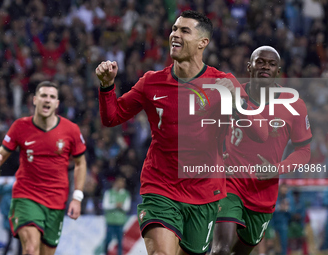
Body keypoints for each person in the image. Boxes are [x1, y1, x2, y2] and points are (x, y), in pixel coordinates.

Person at [96, 10, 268, 255]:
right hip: (160, 187)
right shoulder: (151, 82)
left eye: (184, 31)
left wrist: (235, 103)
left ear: (202, 43)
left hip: (204, 193)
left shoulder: (223, 83)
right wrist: (107, 86)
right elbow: (112, 117)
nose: (175, 34)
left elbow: (260, 134)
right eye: (174, 29)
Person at [211, 46, 312, 255]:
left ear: (278, 71)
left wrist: (277, 168)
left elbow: (304, 151)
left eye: (271, 64)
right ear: (249, 67)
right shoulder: (233, 94)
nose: (265, 66)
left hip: (263, 192)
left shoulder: (294, 105)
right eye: (260, 62)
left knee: (241, 251)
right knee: (220, 250)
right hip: (230, 183)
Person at [0, 81, 87, 255]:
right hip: (26, 196)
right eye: (43, 95)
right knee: (31, 249)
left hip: (56, 201)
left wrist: (77, 197)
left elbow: (80, 163)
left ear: (57, 103)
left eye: (52, 97)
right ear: (34, 100)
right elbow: (1, 155)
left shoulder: (71, 130)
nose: (47, 100)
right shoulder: (20, 126)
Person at [102, 175, 131, 255]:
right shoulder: (109, 192)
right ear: (115, 183)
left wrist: (120, 206)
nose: (121, 184)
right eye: (119, 182)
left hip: (120, 221)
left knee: (120, 241)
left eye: (122, 182)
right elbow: (105, 205)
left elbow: (127, 207)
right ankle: (105, 253)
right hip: (110, 221)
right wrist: (116, 205)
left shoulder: (126, 194)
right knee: (108, 240)